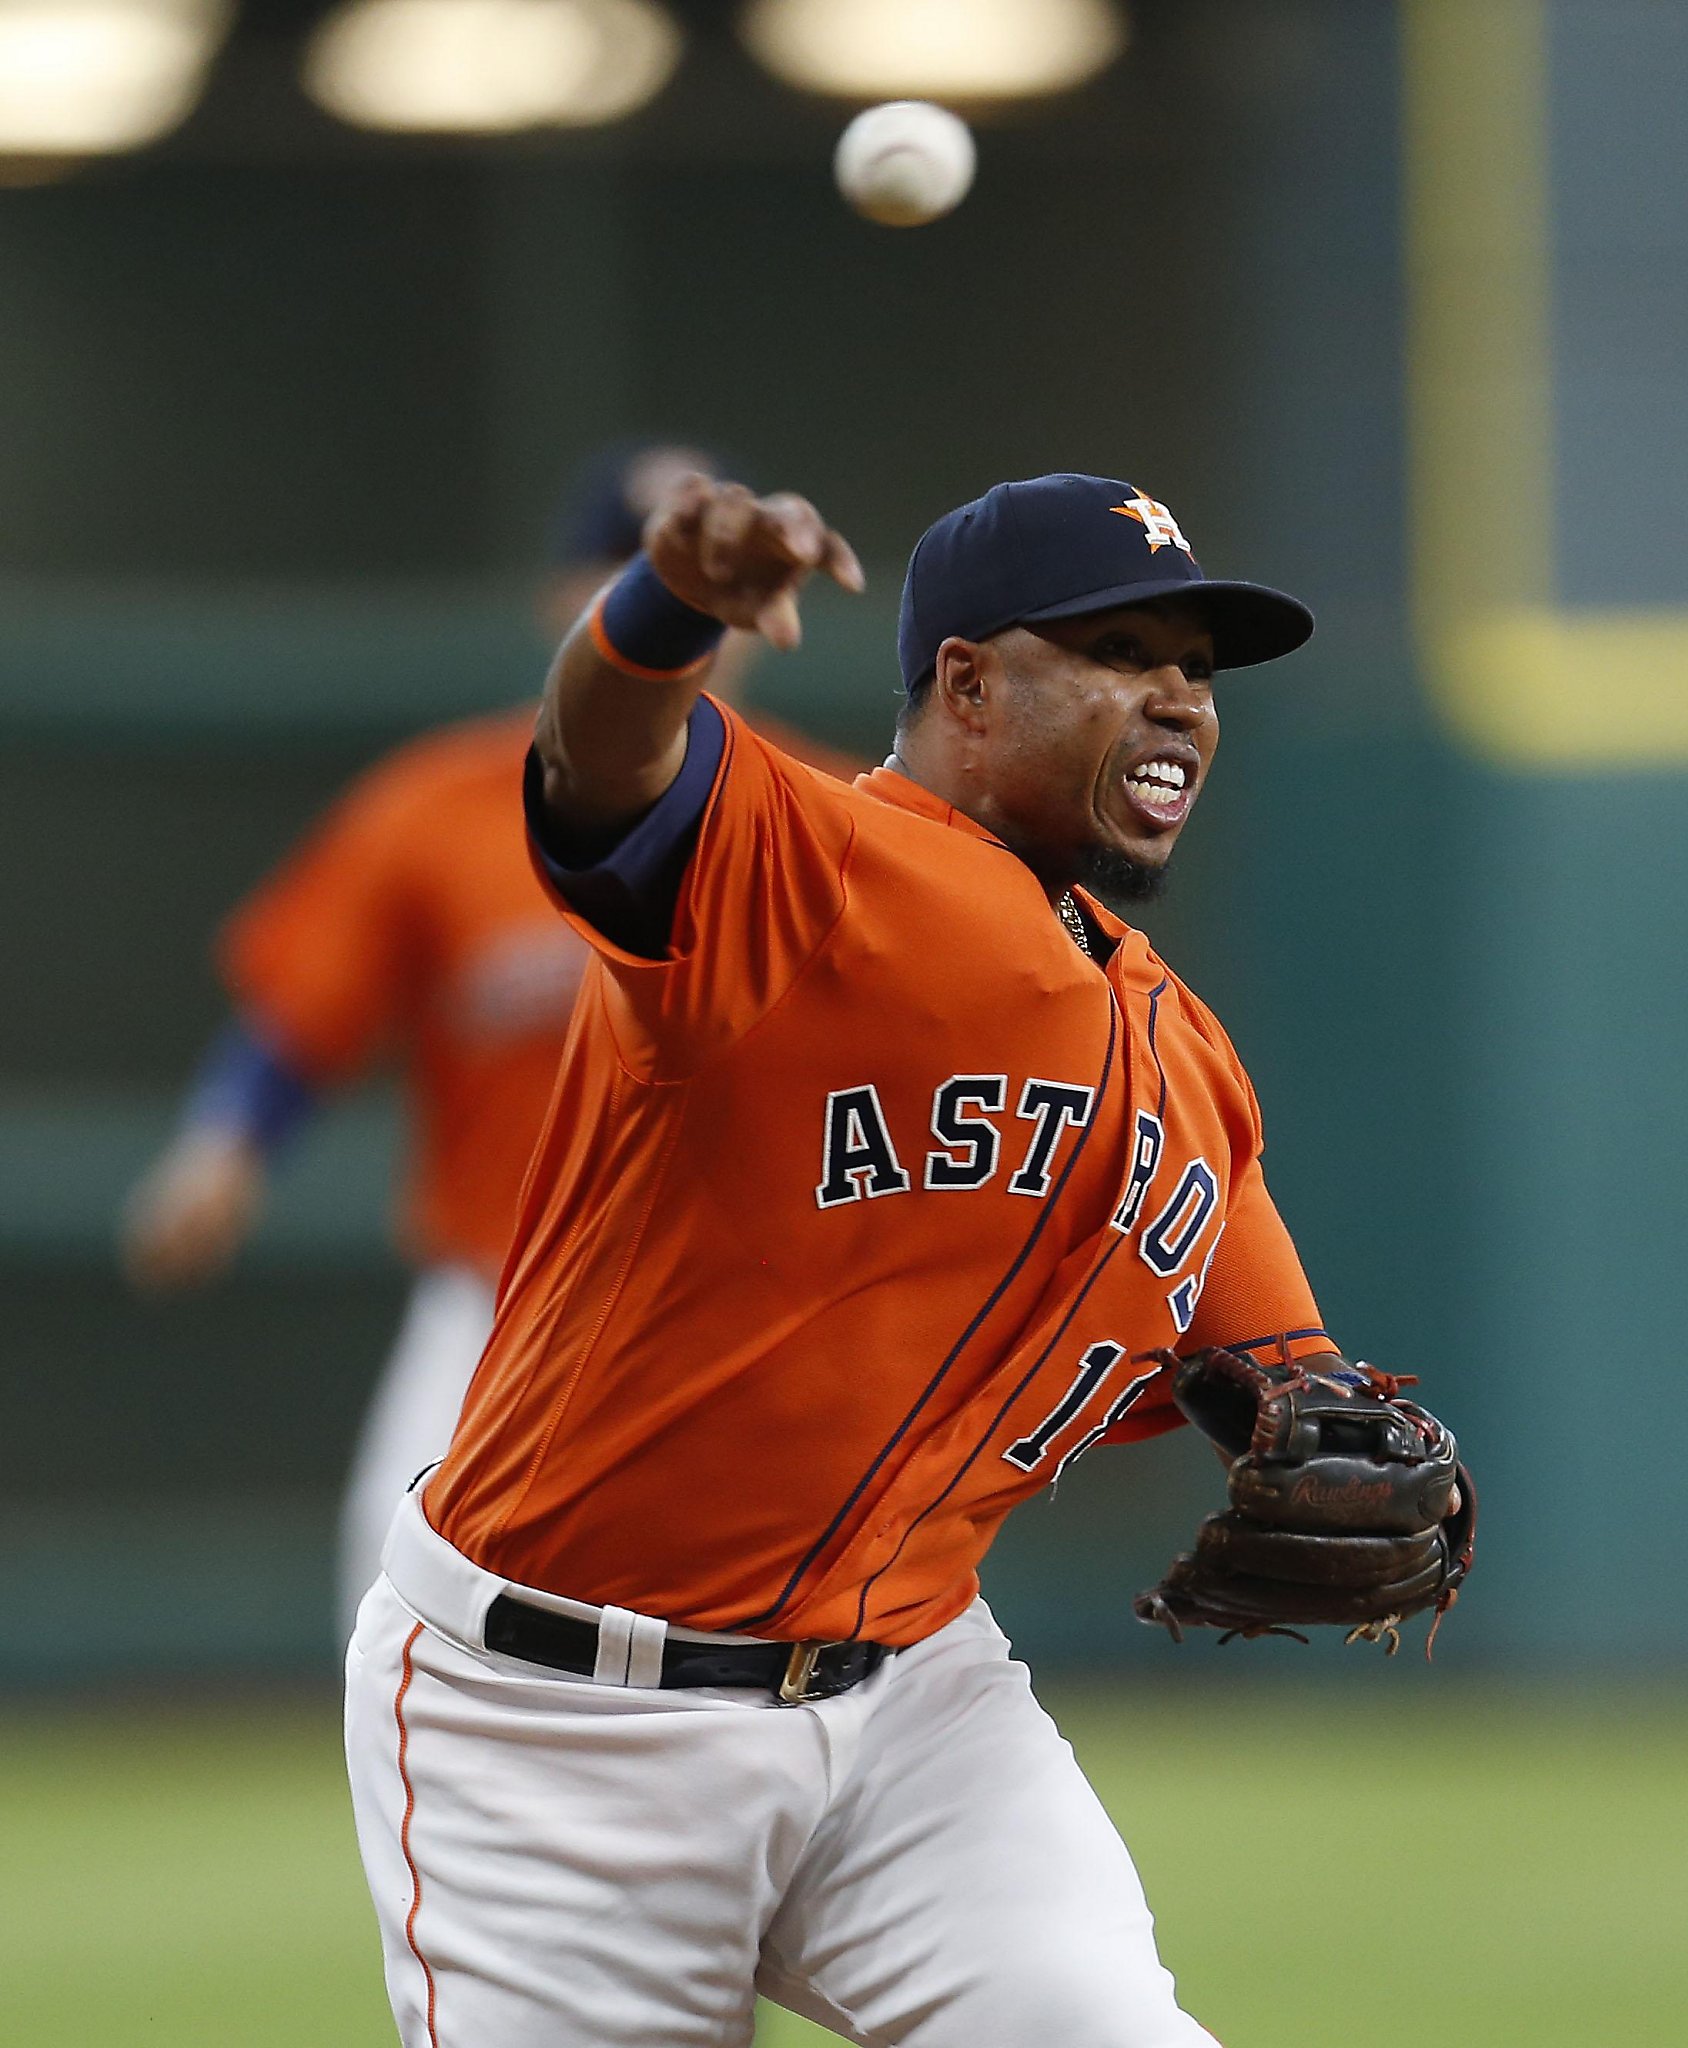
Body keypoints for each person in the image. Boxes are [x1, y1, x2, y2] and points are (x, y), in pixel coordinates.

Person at [343, 470, 1339, 2046]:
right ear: (966, 682)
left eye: (1197, 669)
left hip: (912, 1711)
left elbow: (1287, 1377)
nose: (1174, 699)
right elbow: (598, 759)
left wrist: (1332, 1433)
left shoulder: (1183, 1056)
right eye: (1120, 649)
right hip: (555, 1726)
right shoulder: (798, 862)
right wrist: (663, 609)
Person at [120, 445, 861, 1633]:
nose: (667, 603)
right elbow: (302, 1015)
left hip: (747, 1309)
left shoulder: (840, 825)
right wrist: (223, 1144)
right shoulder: (438, 807)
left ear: (761, 612)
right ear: (564, 604)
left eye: (692, 576)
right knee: (392, 1579)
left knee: (778, 1624)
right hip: (498, 1300)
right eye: (626, 573)